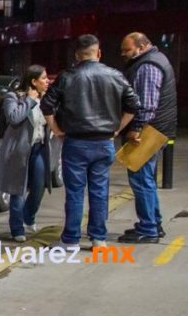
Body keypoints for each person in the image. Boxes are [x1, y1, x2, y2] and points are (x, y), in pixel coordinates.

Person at [41, 35, 140, 250]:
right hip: (104, 142)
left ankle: (71, 240)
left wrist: (57, 129)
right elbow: (134, 105)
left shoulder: (67, 77)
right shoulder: (115, 76)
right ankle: (98, 239)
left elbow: (47, 105)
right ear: (99, 52)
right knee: (99, 191)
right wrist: (117, 129)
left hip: (75, 142)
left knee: (75, 193)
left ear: (77, 55)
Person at [118, 32, 177, 243]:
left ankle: (149, 229)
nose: (123, 54)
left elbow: (147, 103)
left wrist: (136, 128)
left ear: (141, 47)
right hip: (158, 129)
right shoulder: (157, 59)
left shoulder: (147, 66)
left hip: (149, 132)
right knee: (147, 180)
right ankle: (153, 223)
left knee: (141, 180)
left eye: (127, 49)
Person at [0, 65, 51, 242]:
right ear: (33, 81)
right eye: (43, 78)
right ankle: (17, 228)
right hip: (19, 151)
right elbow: (13, 118)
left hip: (39, 148)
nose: (47, 81)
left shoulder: (46, 99)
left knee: (39, 186)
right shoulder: (13, 97)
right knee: (17, 189)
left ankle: (29, 216)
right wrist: (29, 100)